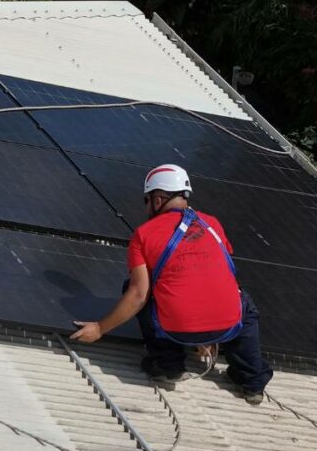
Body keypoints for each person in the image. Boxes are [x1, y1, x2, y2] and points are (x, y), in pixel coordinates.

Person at [71, 164, 273, 404]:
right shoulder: (213, 224)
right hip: (226, 325)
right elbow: (218, 276)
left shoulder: (144, 234)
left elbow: (138, 295)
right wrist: (210, 335)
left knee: (134, 288)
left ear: (157, 199)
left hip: (177, 328)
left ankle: (168, 365)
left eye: (146, 200)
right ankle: (252, 382)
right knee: (243, 303)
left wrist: (100, 328)